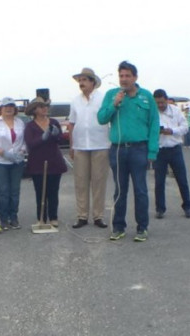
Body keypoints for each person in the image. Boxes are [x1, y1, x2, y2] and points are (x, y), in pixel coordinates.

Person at [97, 61, 159, 242]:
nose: (124, 79)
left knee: (140, 190)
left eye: (127, 76)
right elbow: (101, 119)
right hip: (118, 150)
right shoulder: (111, 95)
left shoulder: (146, 96)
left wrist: (152, 151)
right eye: (121, 76)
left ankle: (142, 228)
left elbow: (154, 124)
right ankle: (118, 227)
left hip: (139, 149)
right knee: (120, 190)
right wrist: (114, 104)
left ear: (135, 77)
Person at [68, 67, 110, 229]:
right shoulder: (75, 101)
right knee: (80, 182)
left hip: (100, 144)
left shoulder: (103, 98)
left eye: (84, 80)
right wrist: (71, 145)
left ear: (93, 82)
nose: (81, 83)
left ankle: (98, 216)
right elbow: (72, 124)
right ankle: (82, 216)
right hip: (80, 145)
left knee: (99, 182)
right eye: (80, 80)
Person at [24, 97, 67, 227]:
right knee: (40, 191)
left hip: (54, 161)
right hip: (37, 162)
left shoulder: (53, 122)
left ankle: (53, 217)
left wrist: (56, 135)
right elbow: (30, 144)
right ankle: (41, 217)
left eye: (46, 106)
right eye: (41, 107)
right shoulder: (30, 126)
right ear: (34, 110)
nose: (45, 109)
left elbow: (60, 140)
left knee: (53, 191)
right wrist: (42, 138)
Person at [0, 97, 26, 230]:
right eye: (6, 106)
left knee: (15, 190)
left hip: (17, 161)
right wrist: (3, 153)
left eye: (11, 106)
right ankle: (4, 219)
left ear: (15, 109)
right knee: (3, 190)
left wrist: (22, 151)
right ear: (0, 109)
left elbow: (24, 141)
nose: (9, 108)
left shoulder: (20, 123)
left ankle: (13, 217)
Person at [152, 89, 190, 220]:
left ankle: (187, 206)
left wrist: (172, 131)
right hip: (159, 150)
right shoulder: (152, 112)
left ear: (167, 100)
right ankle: (160, 209)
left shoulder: (175, 111)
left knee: (182, 179)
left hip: (175, 149)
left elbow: (185, 127)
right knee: (159, 182)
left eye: (162, 102)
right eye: (157, 103)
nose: (160, 105)